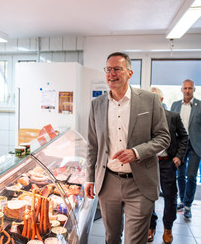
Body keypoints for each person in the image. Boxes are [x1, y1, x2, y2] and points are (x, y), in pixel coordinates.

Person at [84, 52, 171, 244]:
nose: (111, 74)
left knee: (134, 241)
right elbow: (93, 145)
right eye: (108, 69)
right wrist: (89, 178)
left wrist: (136, 152)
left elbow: (164, 137)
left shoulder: (150, 100)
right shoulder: (96, 105)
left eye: (117, 69)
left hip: (140, 183)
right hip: (108, 182)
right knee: (111, 237)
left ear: (130, 73)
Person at [148, 87, 188, 244]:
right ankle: (151, 226)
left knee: (170, 197)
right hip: (149, 163)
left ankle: (168, 228)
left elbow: (184, 137)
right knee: (149, 196)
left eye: (154, 99)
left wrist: (178, 156)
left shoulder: (173, 117)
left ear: (161, 100)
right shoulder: (144, 118)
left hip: (167, 163)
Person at [171, 79, 201, 219]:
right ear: (181, 89)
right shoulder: (175, 105)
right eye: (185, 88)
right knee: (180, 175)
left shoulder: (199, 105)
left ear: (194, 90)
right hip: (180, 144)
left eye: (190, 88)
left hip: (195, 145)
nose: (188, 90)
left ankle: (188, 204)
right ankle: (182, 201)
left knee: (191, 176)